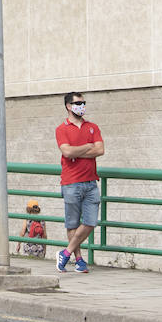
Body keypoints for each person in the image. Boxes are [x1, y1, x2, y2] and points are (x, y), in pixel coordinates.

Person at [55, 91, 103, 273]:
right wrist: (88, 146)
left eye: (83, 103)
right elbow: (66, 152)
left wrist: (78, 151)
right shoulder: (62, 129)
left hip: (91, 182)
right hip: (71, 182)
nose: (82, 106)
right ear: (69, 106)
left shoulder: (92, 127)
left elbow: (100, 149)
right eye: (78, 103)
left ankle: (65, 253)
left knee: (90, 222)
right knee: (72, 224)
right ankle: (79, 260)